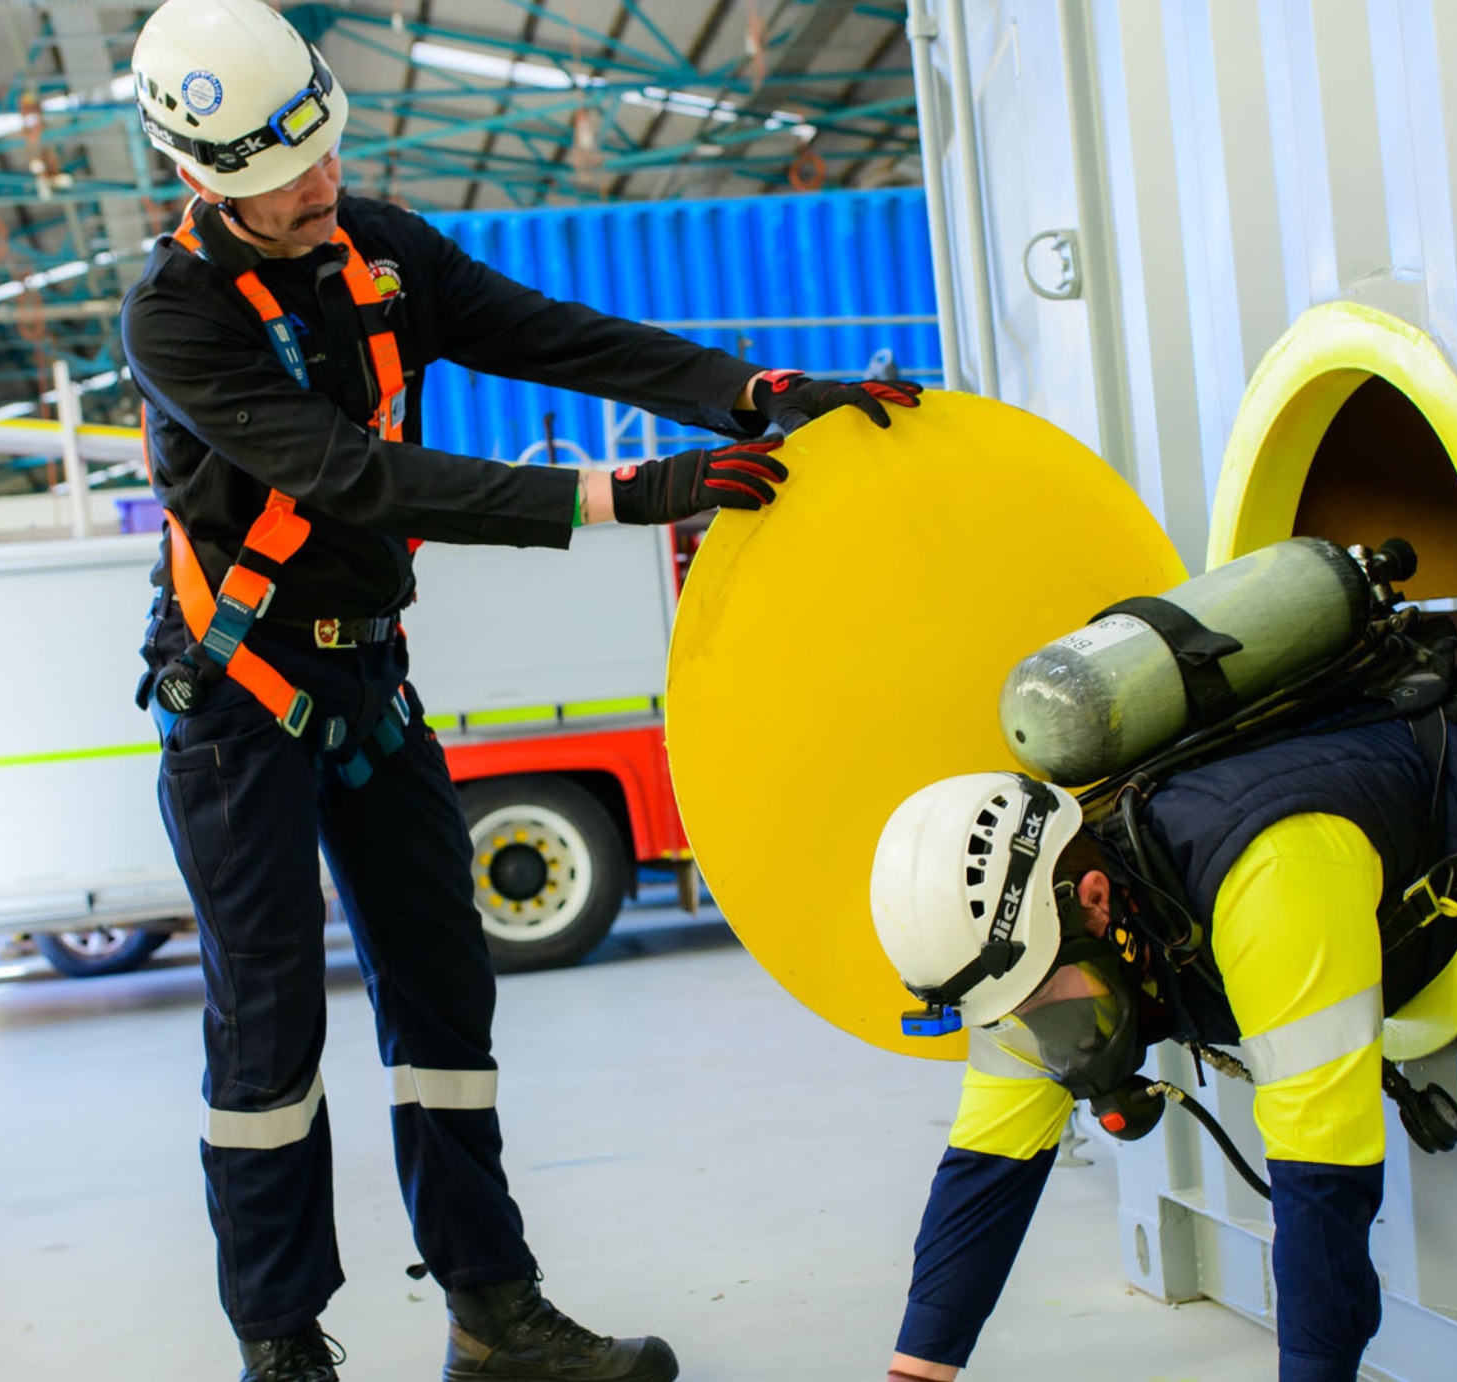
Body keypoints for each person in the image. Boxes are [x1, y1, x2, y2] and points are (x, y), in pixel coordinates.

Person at [120, 2, 923, 1378]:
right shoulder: (174, 317)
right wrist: (626, 493)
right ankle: (281, 1343)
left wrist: (753, 392)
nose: (315, 188)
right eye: (276, 180)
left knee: (446, 1003)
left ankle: (493, 1310)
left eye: (321, 152)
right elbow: (352, 474)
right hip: (237, 704)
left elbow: (556, 337)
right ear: (196, 174)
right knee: (271, 1033)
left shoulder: (381, 246)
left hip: (367, 680)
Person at [868, 690, 1457, 1382]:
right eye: (1012, 1019)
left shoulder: (1270, 881)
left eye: (1041, 1004)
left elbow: (1322, 1177)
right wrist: (914, 1375)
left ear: (1094, 902)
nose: (1047, 1042)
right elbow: (987, 1170)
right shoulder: (1026, 963)